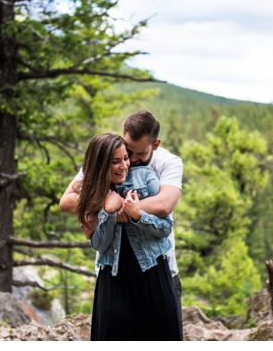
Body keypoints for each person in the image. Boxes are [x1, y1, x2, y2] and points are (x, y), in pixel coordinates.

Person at [60, 109, 184, 338]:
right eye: (127, 151)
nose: (130, 161)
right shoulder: (108, 156)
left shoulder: (168, 163)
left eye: (137, 154)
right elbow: (67, 201)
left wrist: (118, 210)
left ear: (155, 145)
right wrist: (104, 209)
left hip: (158, 267)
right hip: (114, 270)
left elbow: (165, 205)